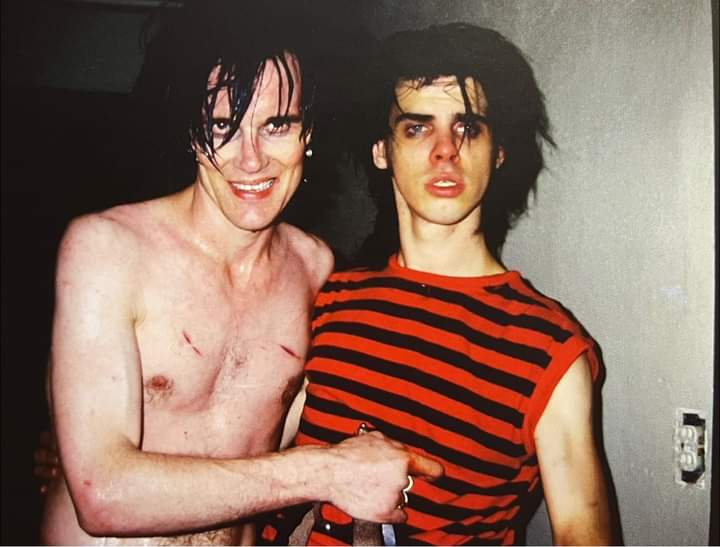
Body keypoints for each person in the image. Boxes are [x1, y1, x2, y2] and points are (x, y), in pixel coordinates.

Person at [39, 3, 442, 545]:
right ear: (189, 132)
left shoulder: (317, 269)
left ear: (308, 134)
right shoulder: (107, 249)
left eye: (277, 124)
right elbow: (103, 494)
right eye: (222, 125)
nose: (250, 159)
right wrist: (326, 471)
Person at [261, 23, 613, 545]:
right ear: (382, 151)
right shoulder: (329, 300)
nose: (445, 151)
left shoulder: (548, 348)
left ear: (498, 152)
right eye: (417, 128)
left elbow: (584, 534)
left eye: (468, 128)